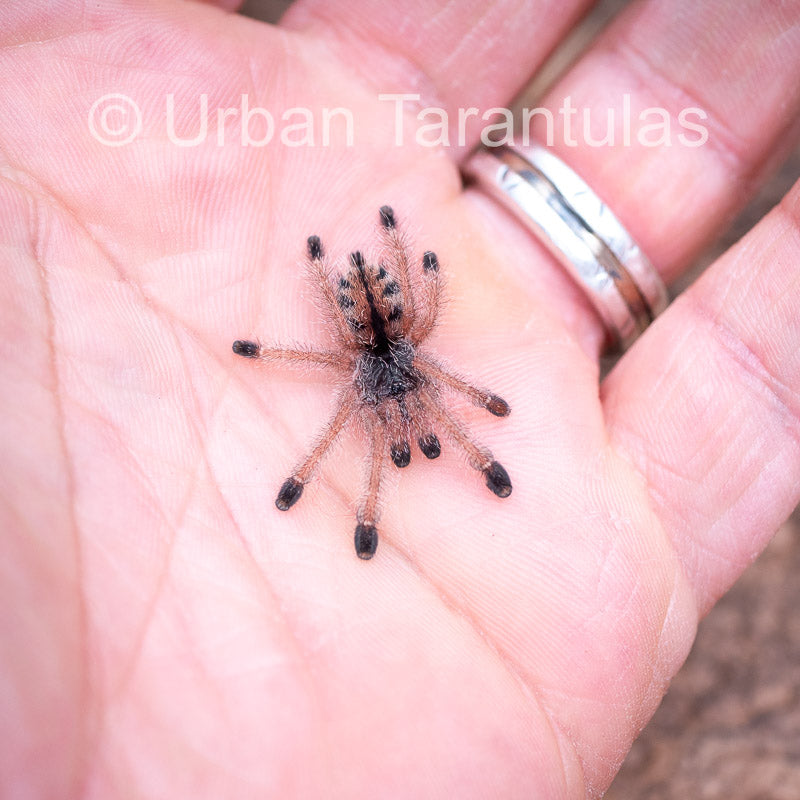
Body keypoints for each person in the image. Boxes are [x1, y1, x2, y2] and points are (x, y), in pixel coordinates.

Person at [1, 0, 798, 796]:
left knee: (409, 403)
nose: (418, 418)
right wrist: (375, 318)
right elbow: (358, 341)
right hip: (377, 325)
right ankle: (377, 506)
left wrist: (417, 283)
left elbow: (429, 304)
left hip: (386, 327)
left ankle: (413, 489)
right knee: (374, 418)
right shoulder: (381, 360)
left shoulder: (405, 361)